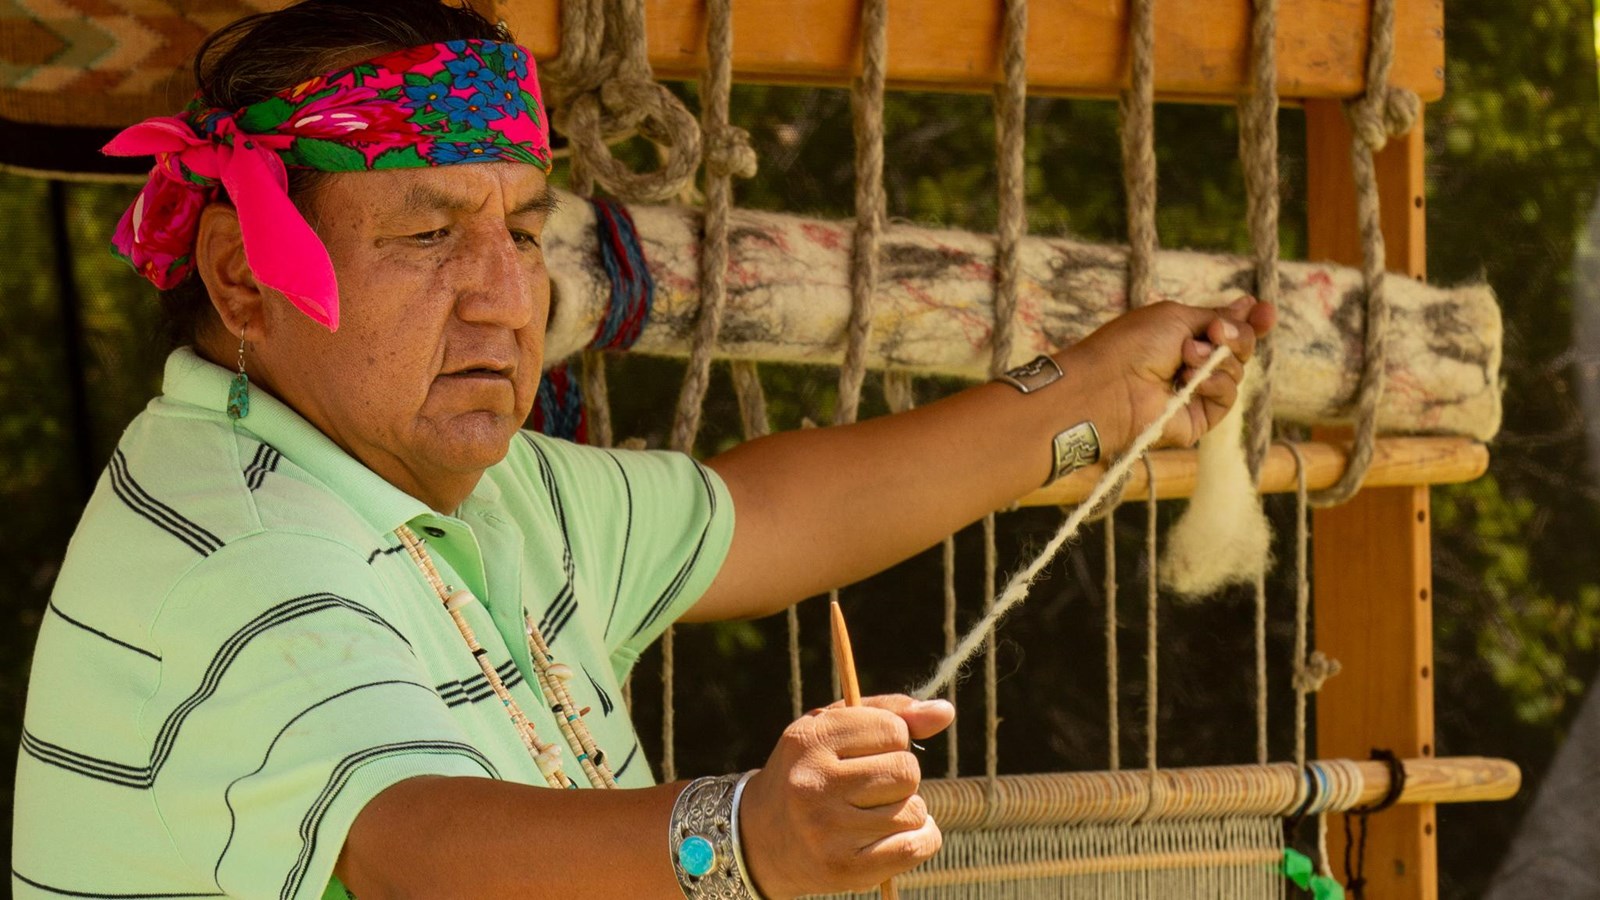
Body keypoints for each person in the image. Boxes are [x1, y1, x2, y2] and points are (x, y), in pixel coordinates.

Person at [9, 1, 1274, 898]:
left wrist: (1092, 392)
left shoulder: (481, 485)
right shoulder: (231, 543)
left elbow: (768, 518)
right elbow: (420, 857)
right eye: (428, 237)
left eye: (521, 227)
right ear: (242, 279)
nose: (505, 295)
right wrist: (750, 844)